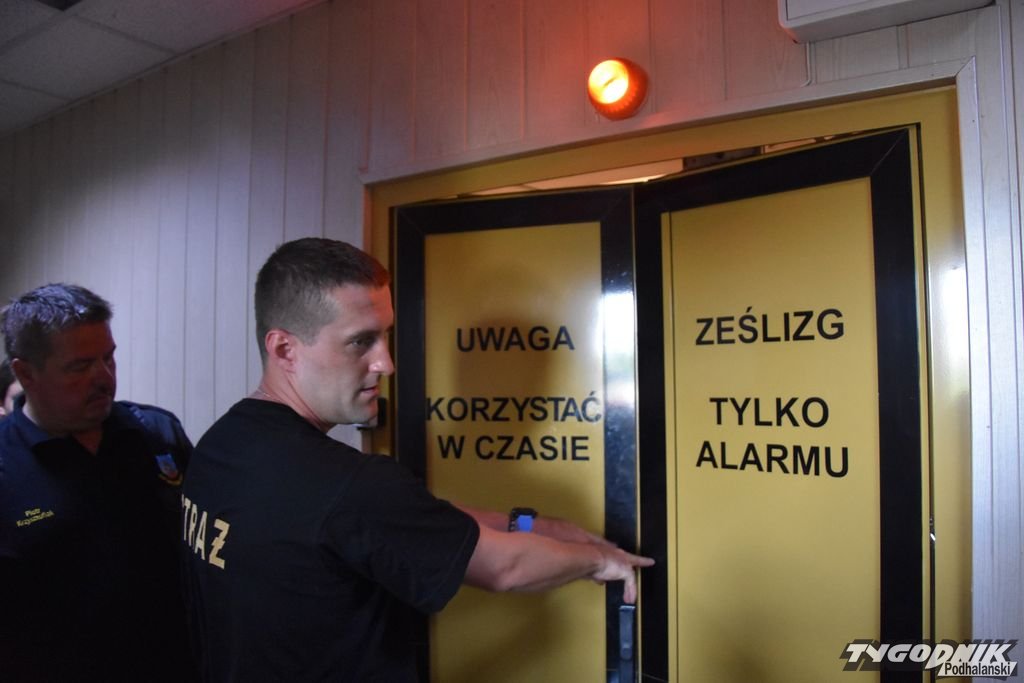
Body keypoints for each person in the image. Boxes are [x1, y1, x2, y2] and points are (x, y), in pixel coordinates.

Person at [182, 238, 654, 681]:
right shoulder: (349, 485)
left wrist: (530, 524)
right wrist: (600, 561)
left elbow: (406, 523)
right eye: (360, 342)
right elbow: (504, 568)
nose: (385, 363)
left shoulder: (219, 447)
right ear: (285, 349)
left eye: (385, 337)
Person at [0, 283, 195, 682]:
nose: (104, 377)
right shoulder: (6, 464)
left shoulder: (156, 433)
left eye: (108, 358)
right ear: (25, 373)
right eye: (80, 366)